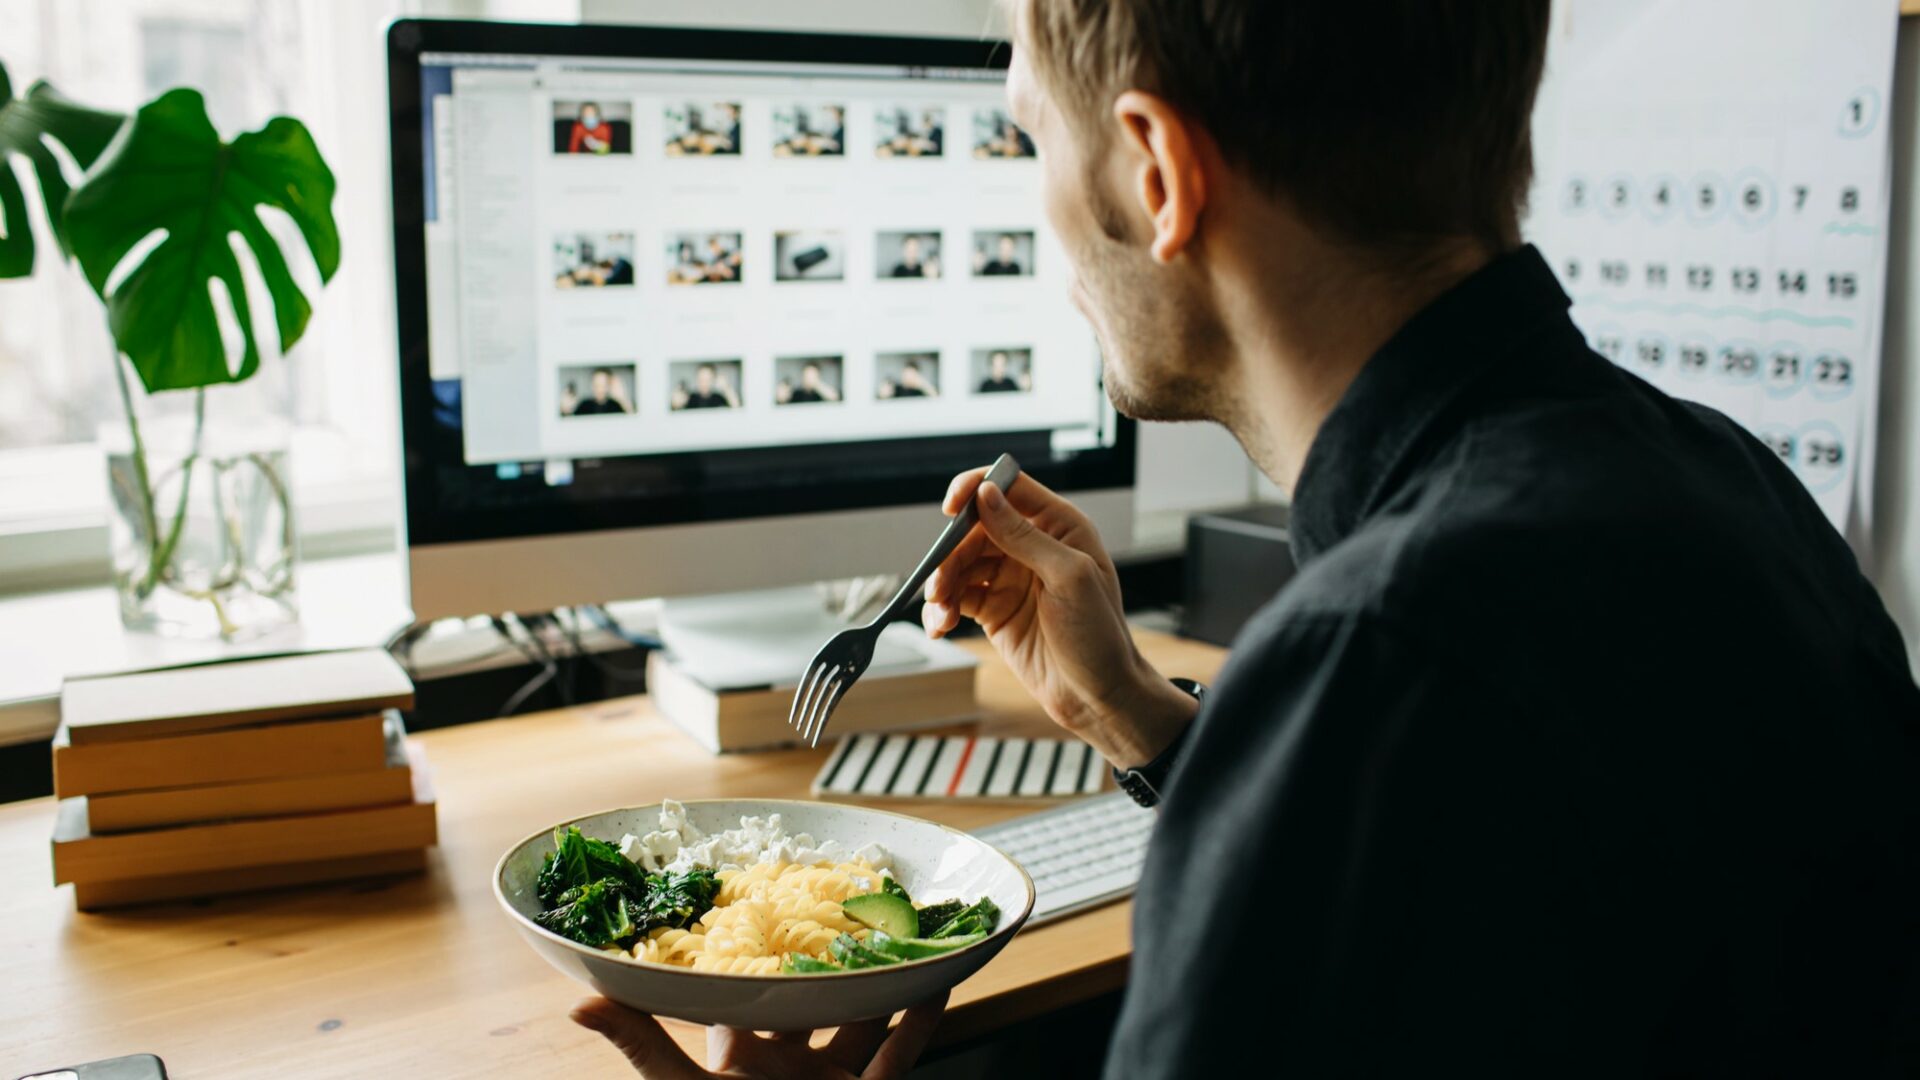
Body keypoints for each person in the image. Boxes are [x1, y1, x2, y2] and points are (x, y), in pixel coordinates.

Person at [573, 2, 1920, 1077]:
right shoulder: (1725, 481)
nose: (1040, 214)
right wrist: (1144, 722)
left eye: (1035, 141)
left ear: (1158, 174)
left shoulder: (1382, 654)